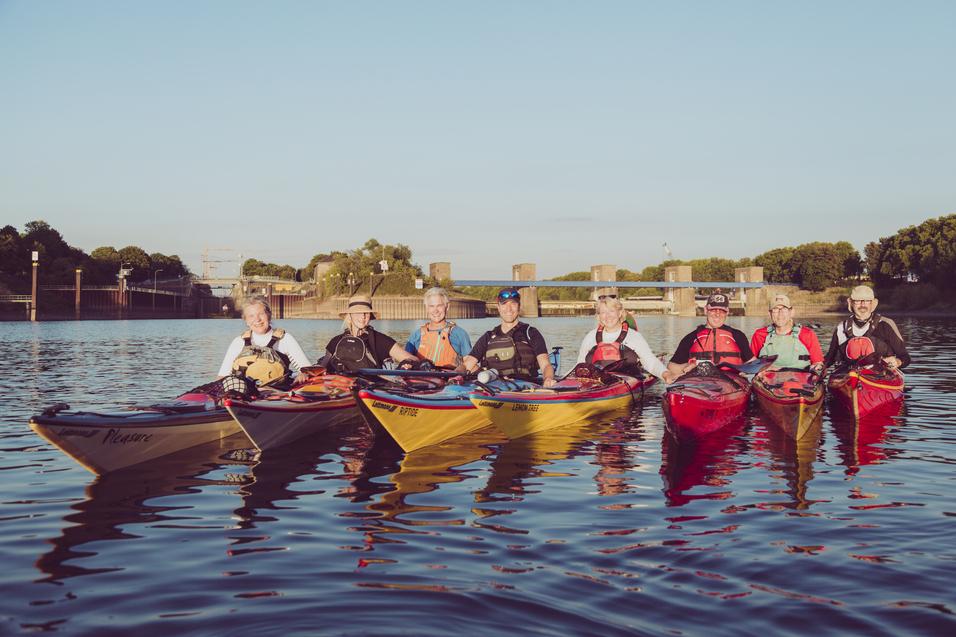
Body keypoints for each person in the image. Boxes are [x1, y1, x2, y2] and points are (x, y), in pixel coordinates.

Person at [460, 287, 557, 387]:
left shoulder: (531, 333)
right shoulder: (488, 337)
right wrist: (452, 376)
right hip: (494, 388)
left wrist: (548, 379)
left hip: (526, 387)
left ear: (519, 307)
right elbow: (467, 365)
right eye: (504, 304)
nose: (509, 309)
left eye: (513, 304)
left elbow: (545, 365)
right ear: (498, 307)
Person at [217, 295, 311, 387]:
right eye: (251, 316)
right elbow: (222, 377)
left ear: (269, 315)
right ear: (246, 321)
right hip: (245, 396)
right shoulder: (238, 342)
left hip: (279, 395)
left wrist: (303, 374)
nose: (257, 319)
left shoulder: (285, 339)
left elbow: (308, 370)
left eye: (261, 314)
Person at [576, 296, 674, 382]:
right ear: (599, 316)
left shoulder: (634, 336)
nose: (608, 316)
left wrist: (665, 374)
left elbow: (650, 361)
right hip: (595, 383)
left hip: (626, 383)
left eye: (611, 311)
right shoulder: (590, 336)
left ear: (619, 313)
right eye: (603, 312)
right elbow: (580, 364)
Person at [666, 291, 754, 379]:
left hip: (731, 383)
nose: (717, 314)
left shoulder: (738, 336)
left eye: (722, 311)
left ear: (727, 312)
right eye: (713, 310)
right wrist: (689, 366)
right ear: (705, 310)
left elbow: (752, 363)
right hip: (699, 384)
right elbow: (671, 366)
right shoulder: (691, 338)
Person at [321, 294, 418, 372]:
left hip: (370, 389)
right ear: (350, 315)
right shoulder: (336, 341)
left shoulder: (381, 340)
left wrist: (408, 364)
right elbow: (321, 367)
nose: (362, 316)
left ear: (370, 316)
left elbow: (413, 359)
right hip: (340, 388)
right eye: (358, 312)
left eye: (366, 313)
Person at [823, 285, 910, 370]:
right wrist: (818, 365)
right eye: (858, 301)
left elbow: (905, 357)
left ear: (872, 303)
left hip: (881, 374)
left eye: (867, 300)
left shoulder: (886, 324)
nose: (862, 304)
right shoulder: (841, 327)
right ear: (851, 303)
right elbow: (829, 359)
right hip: (849, 375)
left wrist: (898, 362)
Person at [750, 293, 825, 373]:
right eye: (775, 309)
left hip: (800, 381)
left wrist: (817, 367)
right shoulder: (759, 335)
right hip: (768, 381)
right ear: (770, 313)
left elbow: (818, 362)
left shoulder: (807, 334)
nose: (780, 313)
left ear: (791, 312)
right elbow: (751, 363)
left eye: (784, 309)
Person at [404, 287, 472, 369]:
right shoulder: (416, 335)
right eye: (431, 306)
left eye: (439, 306)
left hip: (449, 379)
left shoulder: (460, 334)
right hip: (420, 379)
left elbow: (470, 365)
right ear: (426, 308)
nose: (435, 311)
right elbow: (406, 361)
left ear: (447, 307)